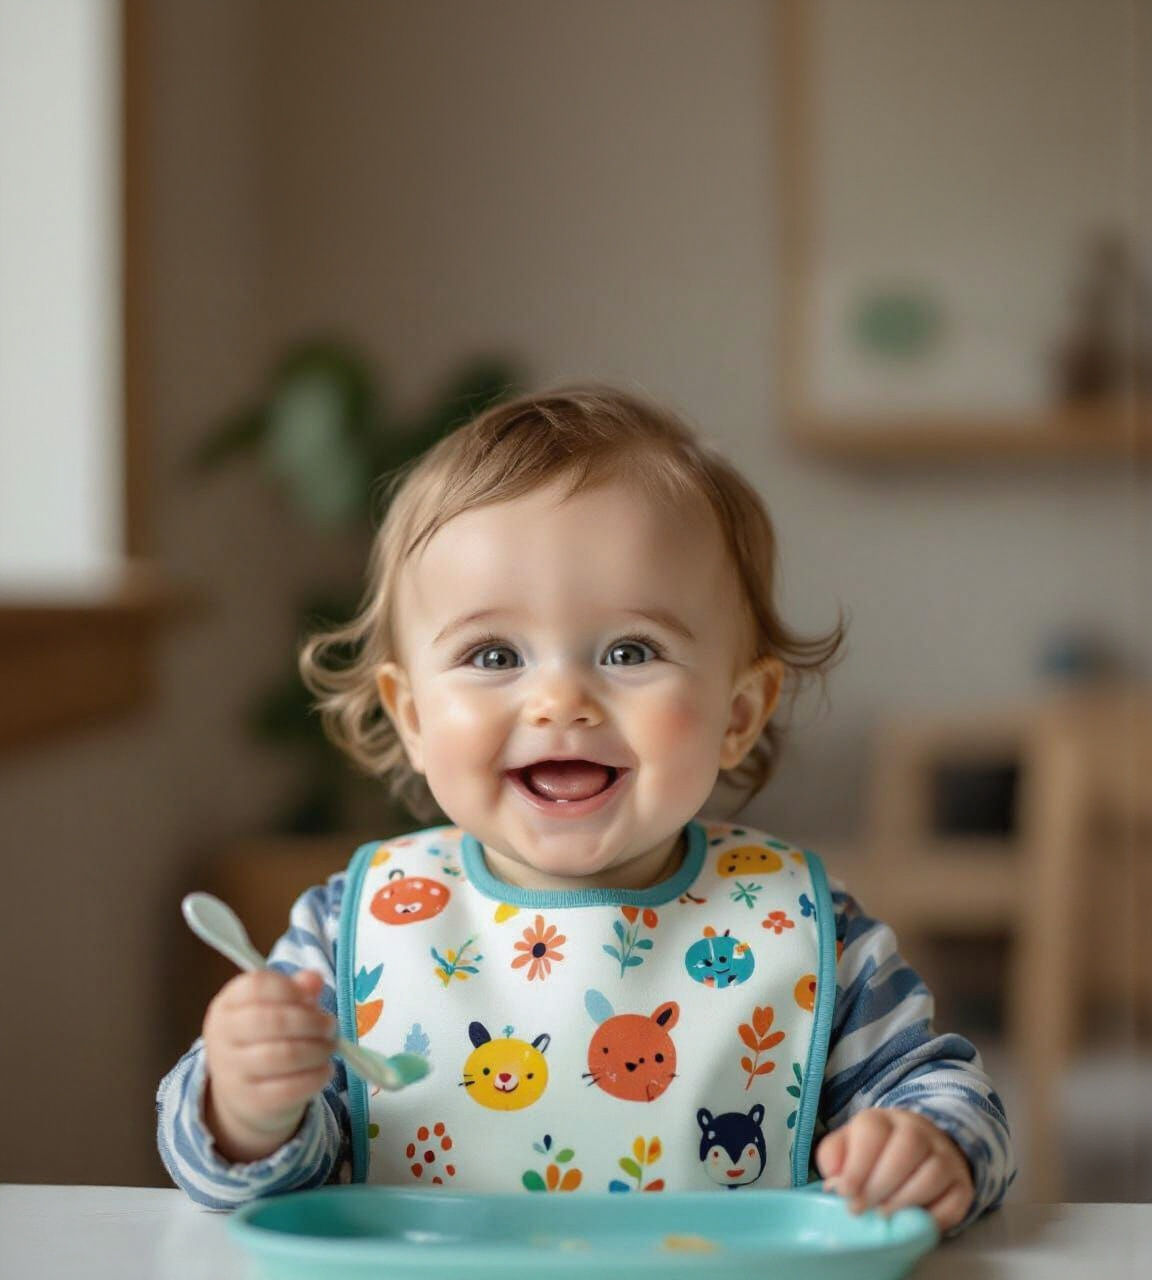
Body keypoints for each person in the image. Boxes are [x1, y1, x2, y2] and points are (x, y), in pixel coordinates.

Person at [157, 387, 1014, 1233]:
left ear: (738, 712)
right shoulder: (356, 928)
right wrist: (248, 1109)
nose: (561, 698)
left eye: (630, 650)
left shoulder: (807, 930)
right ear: (412, 716)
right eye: (493, 653)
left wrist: (930, 1144)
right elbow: (232, 1180)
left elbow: (955, 1097)